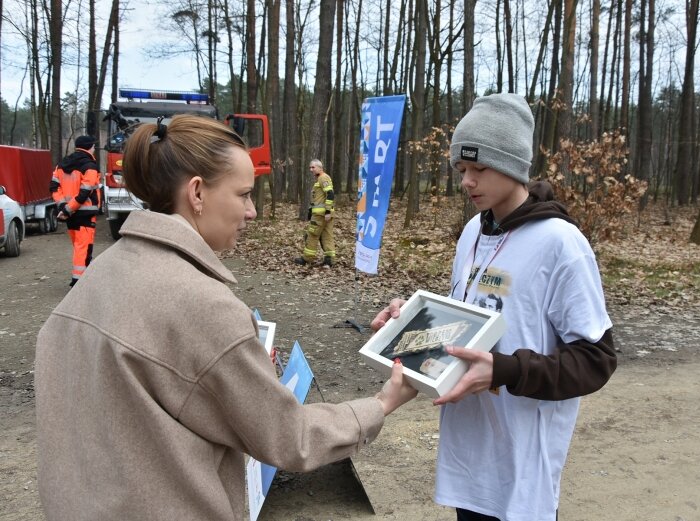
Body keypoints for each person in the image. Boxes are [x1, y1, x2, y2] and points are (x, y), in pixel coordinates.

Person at [35, 115, 418, 520]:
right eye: (244, 194)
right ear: (197, 193)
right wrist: (383, 402)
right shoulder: (203, 305)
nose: (252, 212)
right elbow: (291, 437)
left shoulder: (101, 274)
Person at [371, 93, 617, 521]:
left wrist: (506, 371)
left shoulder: (561, 243)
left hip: (522, 463)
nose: (467, 180)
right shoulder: (472, 231)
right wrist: (410, 322)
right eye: (462, 169)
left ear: (514, 165)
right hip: (470, 452)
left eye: (479, 168)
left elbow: (597, 359)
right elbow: (469, 318)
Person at [50, 134, 101, 286]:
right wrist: (67, 210)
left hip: (70, 214)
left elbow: (54, 187)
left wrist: (63, 207)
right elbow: (85, 192)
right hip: (85, 213)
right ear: (90, 147)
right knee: (83, 247)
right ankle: (78, 282)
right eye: (93, 147)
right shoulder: (90, 166)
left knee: (79, 246)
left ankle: (82, 278)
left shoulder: (61, 165)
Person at [294, 159, 336, 267]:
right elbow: (317, 198)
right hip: (323, 214)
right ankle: (329, 259)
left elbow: (330, 194)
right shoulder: (319, 180)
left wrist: (326, 211)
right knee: (327, 235)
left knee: (312, 235)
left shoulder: (323, 178)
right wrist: (310, 210)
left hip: (320, 215)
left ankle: (307, 259)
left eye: (313, 167)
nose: (311, 169)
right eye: (310, 167)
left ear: (319, 167)